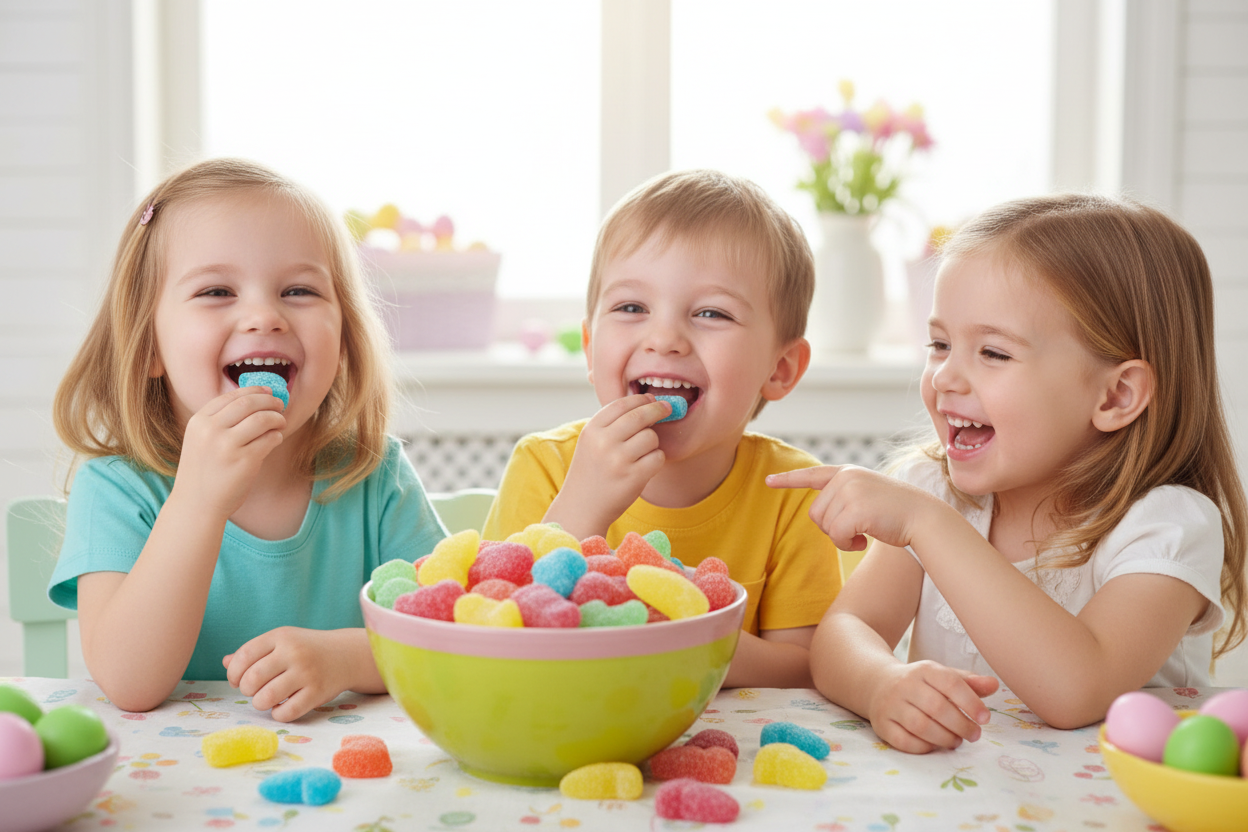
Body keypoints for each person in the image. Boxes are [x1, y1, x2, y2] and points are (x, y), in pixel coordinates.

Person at [769, 193, 1247, 752]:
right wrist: (881, 683)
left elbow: (1078, 689)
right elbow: (844, 633)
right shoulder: (933, 489)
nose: (944, 377)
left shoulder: (1168, 526)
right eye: (940, 344)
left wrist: (930, 525)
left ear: (1116, 395)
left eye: (993, 353)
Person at [48, 158, 446, 722]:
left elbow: (448, 639)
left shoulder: (375, 476)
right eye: (216, 291)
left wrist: (347, 658)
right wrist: (198, 501)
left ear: (345, 338)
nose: (264, 316)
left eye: (299, 290)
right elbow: (129, 682)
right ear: (149, 345)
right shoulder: (116, 489)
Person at [482, 169, 843, 688]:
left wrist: (685, 636)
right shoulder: (543, 466)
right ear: (590, 348)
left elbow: (807, 668)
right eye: (632, 307)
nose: (665, 337)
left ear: (780, 368)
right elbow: (494, 630)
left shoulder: (794, 496)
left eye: (711, 313)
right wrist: (582, 507)